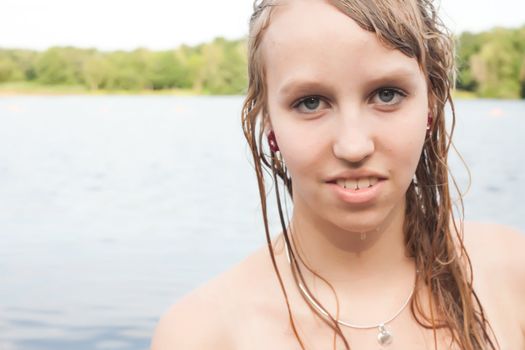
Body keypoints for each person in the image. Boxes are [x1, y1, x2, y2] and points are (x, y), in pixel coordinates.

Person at [151, 0, 525, 349]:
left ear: (430, 104)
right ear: (268, 123)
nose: (353, 146)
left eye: (387, 94)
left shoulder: (513, 271)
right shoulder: (201, 333)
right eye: (310, 102)